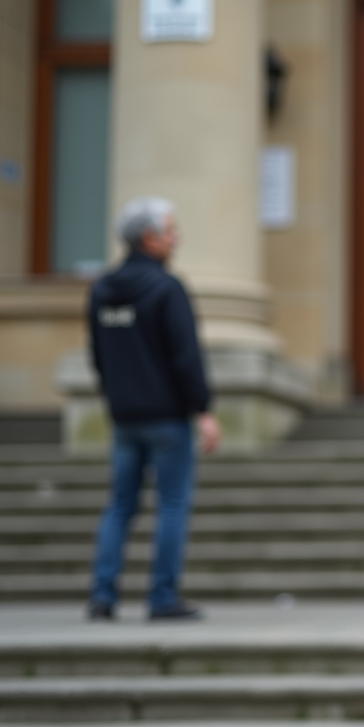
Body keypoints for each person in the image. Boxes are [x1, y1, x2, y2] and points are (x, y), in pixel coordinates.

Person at [86, 197, 220, 622]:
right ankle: (162, 598)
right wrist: (203, 410)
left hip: (124, 418)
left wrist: (115, 398)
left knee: (120, 505)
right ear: (149, 238)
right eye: (170, 230)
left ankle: (102, 596)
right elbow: (186, 357)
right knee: (172, 505)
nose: (176, 238)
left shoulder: (101, 290)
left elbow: (98, 357)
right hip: (167, 419)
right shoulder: (166, 288)